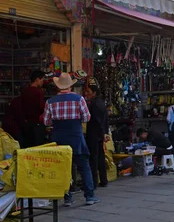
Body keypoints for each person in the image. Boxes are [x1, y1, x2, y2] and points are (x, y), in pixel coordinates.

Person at [43, 73, 99, 206]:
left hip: (58, 138)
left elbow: (46, 121)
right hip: (76, 137)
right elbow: (86, 118)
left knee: (63, 168)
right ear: (70, 86)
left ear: (58, 86)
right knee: (84, 166)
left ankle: (67, 197)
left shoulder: (50, 102)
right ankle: (89, 196)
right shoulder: (79, 99)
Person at [84, 78, 109, 189]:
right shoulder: (101, 103)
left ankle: (94, 182)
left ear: (94, 93)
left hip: (94, 134)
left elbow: (98, 121)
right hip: (99, 134)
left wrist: (102, 133)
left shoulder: (94, 105)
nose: (87, 94)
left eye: (88, 92)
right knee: (100, 158)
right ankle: (103, 180)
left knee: (94, 159)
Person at [21, 70, 47, 147]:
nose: (43, 82)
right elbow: (41, 108)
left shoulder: (24, 91)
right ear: (37, 79)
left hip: (26, 125)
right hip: (37, 125)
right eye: (42, 80)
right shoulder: (39, 92)